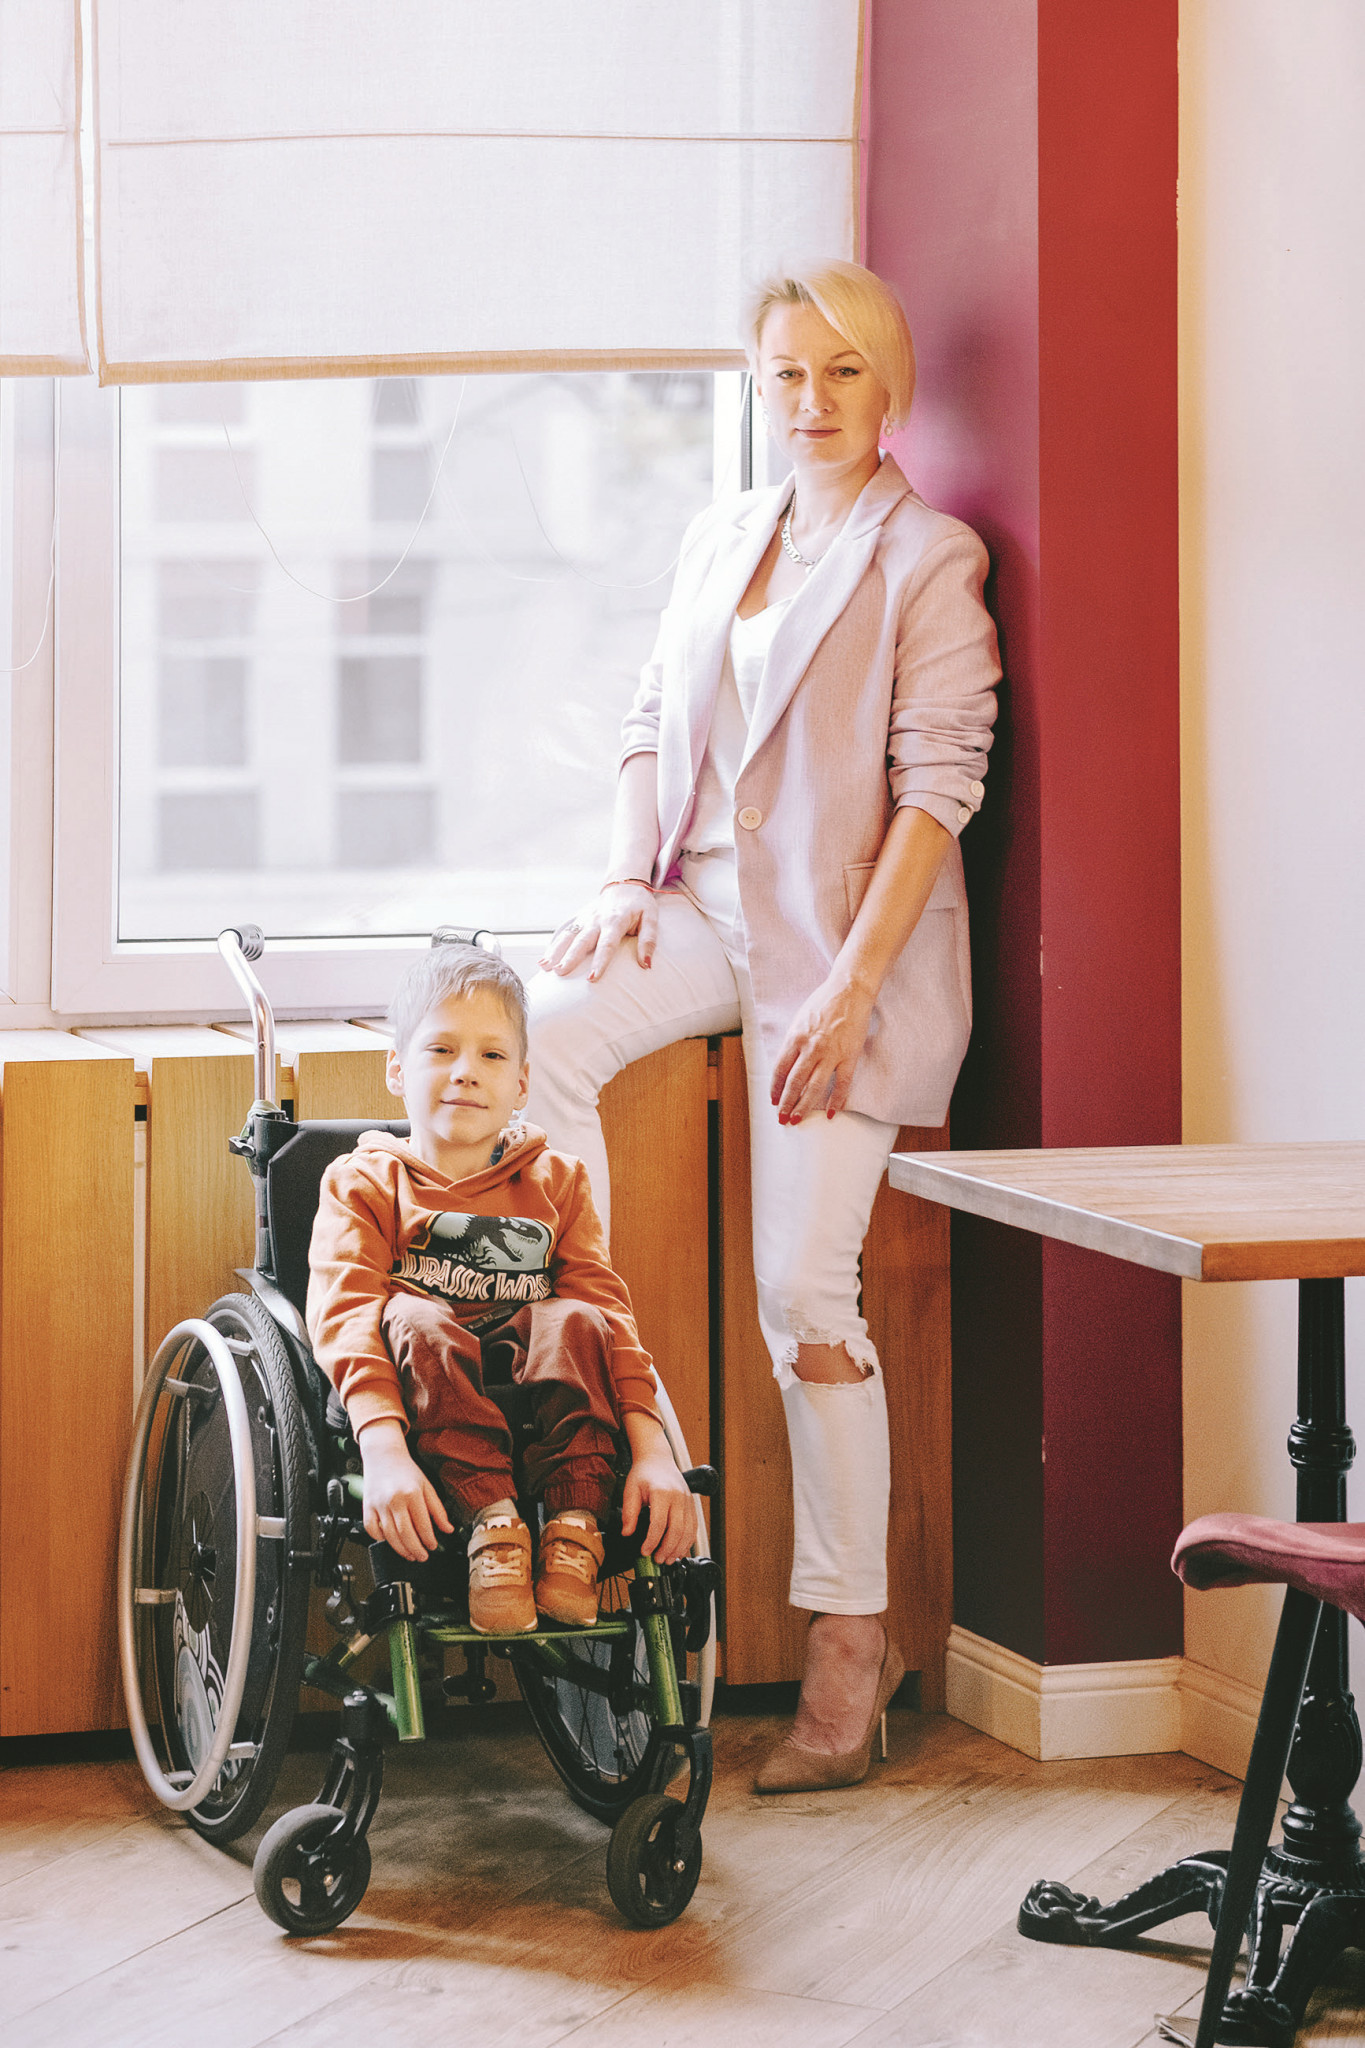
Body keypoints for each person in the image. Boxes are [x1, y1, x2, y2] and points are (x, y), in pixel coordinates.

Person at [529, 258, 1000, 1789]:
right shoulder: (720, 533)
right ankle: (592, 1372)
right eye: (787, 371)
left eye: (842, 370)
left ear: (890, 386)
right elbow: (650, 723)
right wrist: (623, 874)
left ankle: (850, 1643)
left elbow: (938, 789)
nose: (812, 399)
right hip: (701, 911)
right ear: (756, 384)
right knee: (539, 1029)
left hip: (843, 957)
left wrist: (852, 989)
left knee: (805, 1296)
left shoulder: (928, 557)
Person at [306, 943, 694, 1635]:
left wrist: (654, 1449)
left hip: (539, 1389)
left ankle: (574, 1526)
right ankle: (495, 1527)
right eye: (441, 1050)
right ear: (396, 1069)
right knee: (412, 1315)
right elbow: (346, 1314)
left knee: (576, 1319)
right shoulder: (363, 1183)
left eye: (491, 1055)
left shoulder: (558, 1182)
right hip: (425, 1393)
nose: (465, 1071)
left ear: (521, 1083)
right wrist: (383, 1448)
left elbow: (607, 1313)